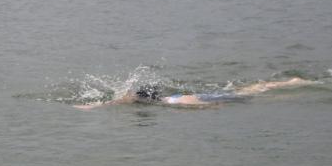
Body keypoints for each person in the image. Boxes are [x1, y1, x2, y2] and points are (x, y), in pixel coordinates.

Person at [75, 77, 310, 109]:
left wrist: (216, 107)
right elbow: (120, 101)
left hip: (207, 98)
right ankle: (284, 82)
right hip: (205, 95)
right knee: (250, 90)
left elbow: (200, 106)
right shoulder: (167, 100)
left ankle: (289, 85)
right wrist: (93, 106)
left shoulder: (174, 104)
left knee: (251, 95)